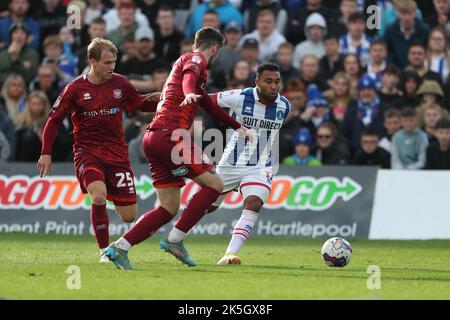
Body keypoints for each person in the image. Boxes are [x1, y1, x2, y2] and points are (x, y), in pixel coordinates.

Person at [104, 27, 252, 270]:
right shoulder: (196, 59)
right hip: (172, 135)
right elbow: (190, 81)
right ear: (214, 48)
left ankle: (119, 248)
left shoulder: (184, 64)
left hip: (153, 138)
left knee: (168, 207)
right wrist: (189, 92)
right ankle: (175, 240)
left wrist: (237, 126)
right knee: (215, 185)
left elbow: (207, 103)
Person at [37, 38, 159, 262]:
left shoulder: (120, 84)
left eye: (114, 62)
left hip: (118, 154)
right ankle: (104, 252)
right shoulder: (75, 89)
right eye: (107, 62)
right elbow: (53, 120)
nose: (112, 67)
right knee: (99, 196)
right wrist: (46, 151)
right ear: (92, 61)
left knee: (129, 217)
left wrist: (165, 100)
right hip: (87, 152)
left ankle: (111, 197)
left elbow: (139, 103)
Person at [204, 62, 291, 265]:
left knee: (254, 202)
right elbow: (205, 101)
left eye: (277, 81)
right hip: (230, 164)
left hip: (261, 165)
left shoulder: (284, 105)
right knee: (208, 207)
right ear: (257, 82)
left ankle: (229, 254)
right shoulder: (240, 97)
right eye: (268, 81)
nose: (274, 86)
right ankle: (174, 235)